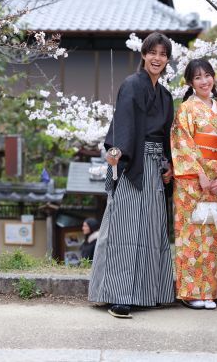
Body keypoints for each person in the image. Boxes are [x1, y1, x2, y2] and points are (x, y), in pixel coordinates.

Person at [88, 32, 175, 319]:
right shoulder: (132, 85)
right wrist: (117, 157)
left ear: (167, 59)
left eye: (163, 54)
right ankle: (119, 296)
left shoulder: (164, 95)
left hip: (154, 166)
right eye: (153, 52)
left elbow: (165, 138)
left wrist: (167, 166)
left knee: (151, 229)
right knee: (124, 230)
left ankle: (150, 293)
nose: (157, 58)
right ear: (143, 54)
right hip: (131, 163)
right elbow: (123, 124)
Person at [171, 58, 217, 310]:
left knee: (211, 234)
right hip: (192, 182)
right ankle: (191, 292)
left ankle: (209, 292)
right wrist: (200, 175)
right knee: (191, 233)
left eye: (207, 76)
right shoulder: (186, 109)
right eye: (197, 78)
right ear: (190, 82)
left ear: (213, 77)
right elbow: (182, 142)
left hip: (216, 182)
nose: (204, 81)